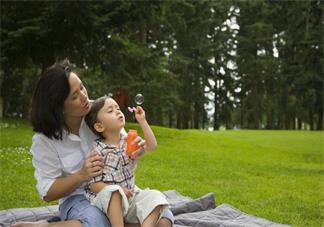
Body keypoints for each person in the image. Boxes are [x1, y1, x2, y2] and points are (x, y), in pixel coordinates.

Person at [11, 60, 174, 227]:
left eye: (81, 87)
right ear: (59, 107)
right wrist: (81, 175)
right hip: (79, 198)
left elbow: (124, 146)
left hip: (117, 191)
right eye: (74, 96)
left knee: (163, 215)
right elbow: (48, 193)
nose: (84, 97)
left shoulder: (99, 112)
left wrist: (135, 150)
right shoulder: (44, 140)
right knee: (97, 223)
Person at [84, 96, 169, 226]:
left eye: (118, 108)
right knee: (115, 193)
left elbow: (151, 146)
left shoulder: (129, 141)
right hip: (108, 203)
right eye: (110, 111)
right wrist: (118, 189)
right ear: (99, 126)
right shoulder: (98, 151)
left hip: (130, 198)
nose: (118, 112)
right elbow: (93, 185)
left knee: (156, 197)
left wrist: (142, 120)